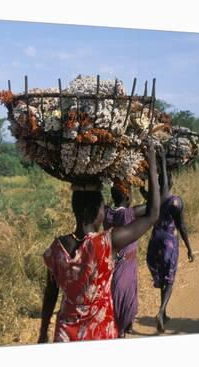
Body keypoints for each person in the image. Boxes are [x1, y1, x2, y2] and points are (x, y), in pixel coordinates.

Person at [38, 142, 160, 343]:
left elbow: (51, 293)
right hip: (99, 332)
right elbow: (153, 215)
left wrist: (43, 332)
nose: (105, 212)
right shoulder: (107, 242)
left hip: (65, 334)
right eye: (103, 207)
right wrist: (153, 165)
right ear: (96, 211)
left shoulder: (56, 249)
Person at [103, 146, 169, 337]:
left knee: (113, 312)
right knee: (123, 314)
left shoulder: (106, 213)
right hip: (124, 276)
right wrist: (157, 166)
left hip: (110, 272)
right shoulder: (131, 215)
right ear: (128, 196)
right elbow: (160, 201)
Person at [146, 156, 194, 333]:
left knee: (161, 276)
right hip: (168, 242)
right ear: (170, 184)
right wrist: (189, 248)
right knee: (170, 279)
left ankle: (164, 312)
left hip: (154, 240)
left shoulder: (153, 199)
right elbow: (182, 226)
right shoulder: (175, 201)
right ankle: (160, 312)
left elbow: (148, 191)